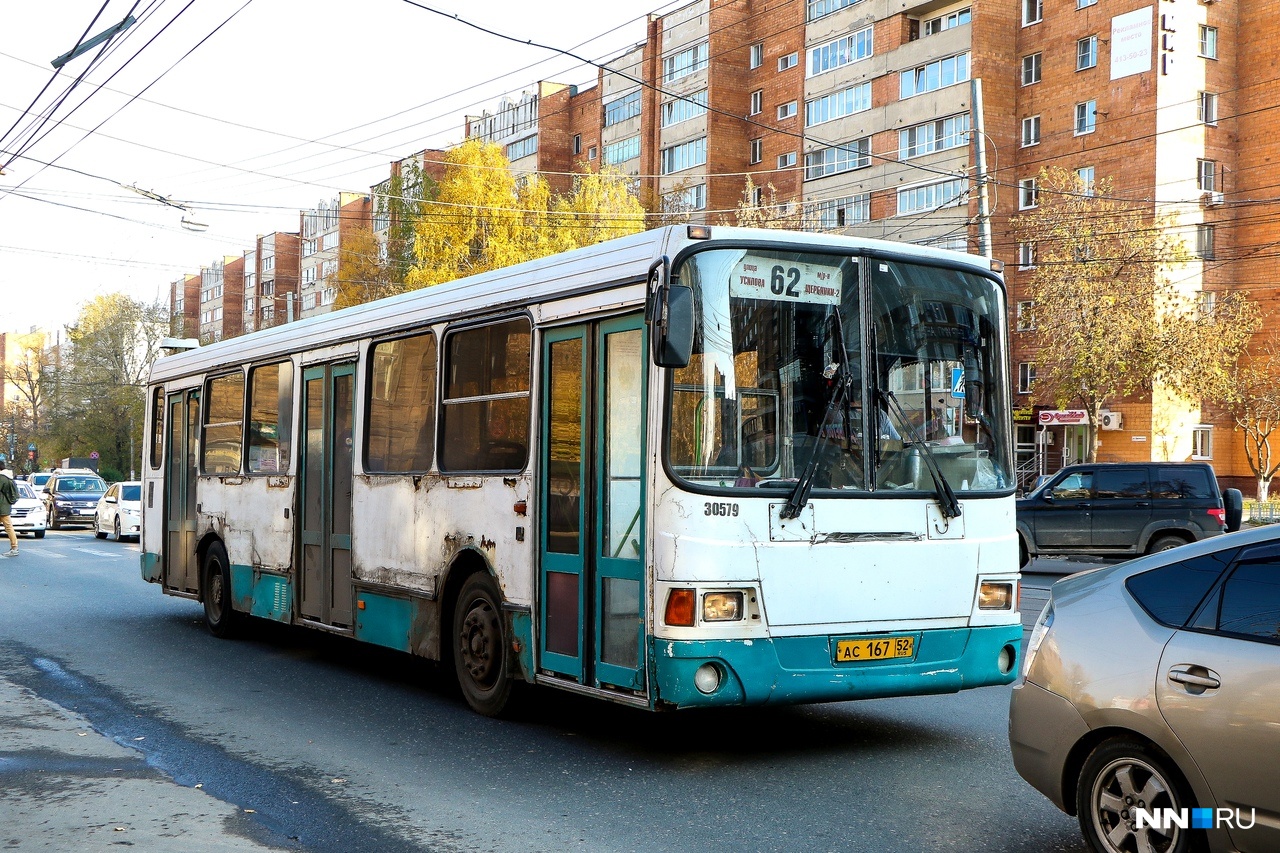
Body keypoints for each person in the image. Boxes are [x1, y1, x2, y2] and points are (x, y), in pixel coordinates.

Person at [0, 468, 19, 557]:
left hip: (1, 507)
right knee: (8, 527)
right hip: (4, 506)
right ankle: (14, 547)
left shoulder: (1, 478)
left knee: (8, 527)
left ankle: (14, 548)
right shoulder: (8, 477)